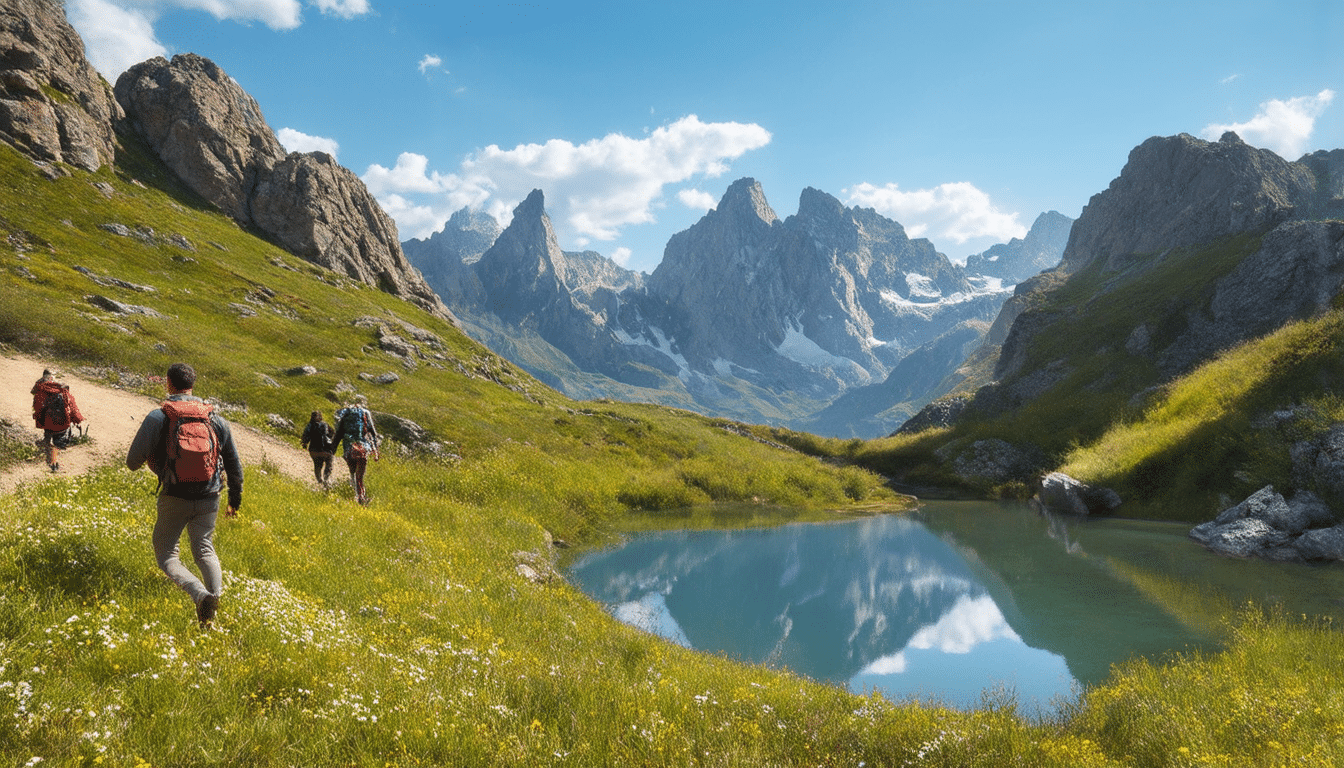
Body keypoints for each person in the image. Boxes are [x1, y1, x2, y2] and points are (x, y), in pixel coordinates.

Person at [125, 362, 243, 629]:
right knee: (204, 548)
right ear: (193, 385)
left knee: (167, 555)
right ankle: (214, 606)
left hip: (174, 495)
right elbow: (235, 465)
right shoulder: (215, 419)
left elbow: (132, 462)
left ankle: (201, 597)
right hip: (210, 496)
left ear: (168, 383)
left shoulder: (159, 417)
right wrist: (235, 500)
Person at [30, 368, 84, 472]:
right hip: (62, 423)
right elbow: (72, 408)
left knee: (49, 441)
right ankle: (54, 463)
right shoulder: (63, 390)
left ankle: (50, 459)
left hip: (47, 422)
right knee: (57, 444)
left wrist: (40, 422)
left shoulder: (40, 390)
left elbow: (37, 408)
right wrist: (77, 420)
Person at [332, 395, 380, 504]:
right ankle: (361, 498)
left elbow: (338, 434)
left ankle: (354, 494)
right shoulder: (365, 414)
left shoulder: (345, 414)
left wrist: (332, 450)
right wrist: (375, 451)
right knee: (360, 476)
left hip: (349, 449)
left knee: (352, 472)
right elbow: (373, 433)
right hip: (362, 449)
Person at [300, 410, 335, 487]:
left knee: (317, 465)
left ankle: (320, 481)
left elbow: (306, 436)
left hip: (314, 450)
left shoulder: (310, 425)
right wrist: (331, 441)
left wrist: (304, 443)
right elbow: (333, 433)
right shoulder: (325, 424)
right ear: (320, 417)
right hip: (326, 449)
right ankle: (326, 479)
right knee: (329, 462)